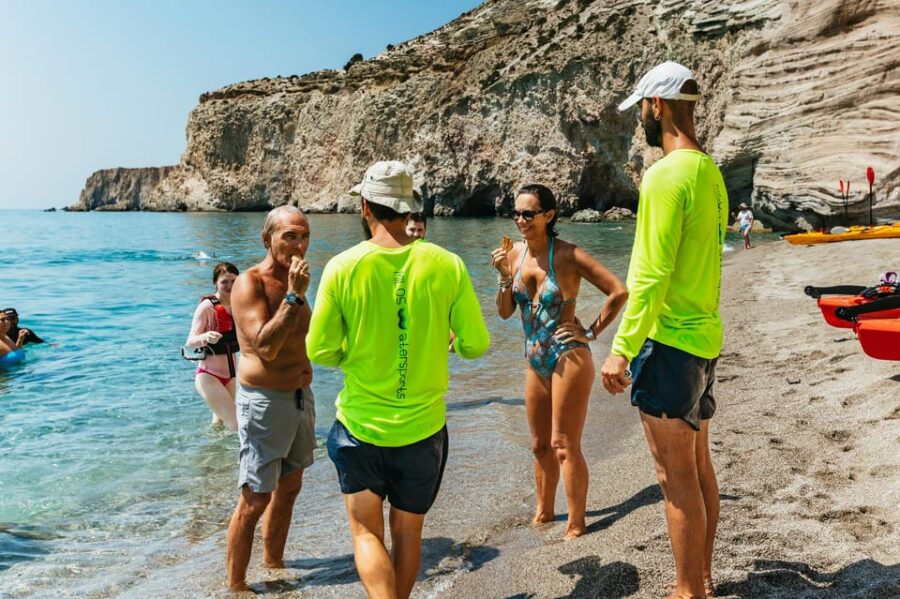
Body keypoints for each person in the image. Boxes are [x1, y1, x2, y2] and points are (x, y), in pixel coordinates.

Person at [307, 160, 489, 599]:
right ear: (409, 208)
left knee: (366, 534)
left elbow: (319, 350)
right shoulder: (447, 264)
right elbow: (476, 344)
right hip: (422, 430)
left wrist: (357, 353)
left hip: (360, 427)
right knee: (408, 534)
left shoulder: (342, 266)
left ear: (366, 207)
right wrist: (443, 342)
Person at [601, 61, 729, 599]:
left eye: (642, 110)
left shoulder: (665, 175)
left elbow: (649, 275)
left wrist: (621, 348)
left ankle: (687, 590)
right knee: (697, 468)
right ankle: (702, 579)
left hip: (669, 342)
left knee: (674, 479)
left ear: (657, 106)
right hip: (703, 340)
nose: (641, 121)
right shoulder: (710, 172)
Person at [490, 183, 628, 539]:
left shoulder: (568, 255)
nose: (521, 220)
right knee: (539, 445)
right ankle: (544, 512)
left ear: (549, 215)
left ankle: (576, 522)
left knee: (563, 444)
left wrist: (591, 332)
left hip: (568, 356)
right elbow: (505, 312)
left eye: (529, 214)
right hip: (534, 358)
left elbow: (619, 291)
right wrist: (504, 276)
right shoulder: (514, 255)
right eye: (516, 213)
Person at [225, 206, 315, 592]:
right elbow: (266, 347)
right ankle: (236, 586)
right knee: (255, 497)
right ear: (267, 239)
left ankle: (274, 564)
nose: (299, 245)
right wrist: (294, 296)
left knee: (290, 487)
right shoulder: (250, 283)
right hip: (264, 402)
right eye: (289, 236)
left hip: (300, 397)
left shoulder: (298, 281)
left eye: (304, 237)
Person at [185, 262, 240, 430]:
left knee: (219, 424)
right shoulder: (207, 307)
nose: (229, 286)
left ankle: (213, 447)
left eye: (233, 281)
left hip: (230, 376)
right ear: (216, 282)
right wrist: (205, 337)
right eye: (224, 282)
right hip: (208, 376)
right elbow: (190, 342)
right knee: (236, 424)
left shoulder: (239, 305)